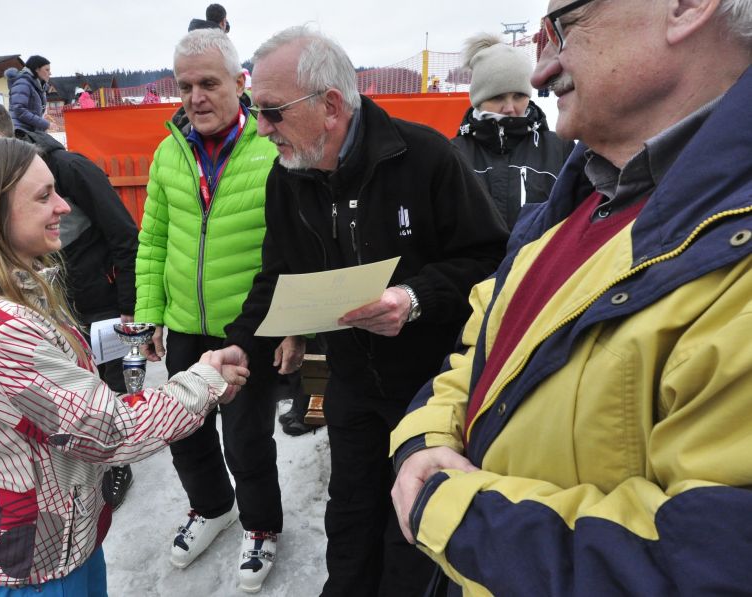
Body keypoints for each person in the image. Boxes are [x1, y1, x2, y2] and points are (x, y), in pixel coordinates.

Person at [391, 1, 752, 595]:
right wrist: (424, 442)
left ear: (687, 8)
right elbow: (478, 360)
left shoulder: (728, 252)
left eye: (563, 26)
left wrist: (447, 510)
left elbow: (707, 562)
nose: (537, 75)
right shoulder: (570, 205)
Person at [218, 26, 509, 597]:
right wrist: (242, 344)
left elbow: (490, 258)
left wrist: (415, 298)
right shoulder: (287, 177)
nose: (260, 127)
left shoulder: (424, 156)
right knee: (350, 513)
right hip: (353, 383)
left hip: (431, 388)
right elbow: (279, 276)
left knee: (413, 525)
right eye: (255, 109)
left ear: (329, 106)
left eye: (272, 112)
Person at [0, 135, 249, 594]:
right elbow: (110, 431)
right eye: (43, 196)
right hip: (31, 567)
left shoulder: (18, 298)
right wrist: (205, 379)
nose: (64, 207)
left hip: (61, 542)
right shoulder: (2, 329)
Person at [134, 28, 284, 593]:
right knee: (185, 431)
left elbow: (290, 248)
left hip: (247, 327)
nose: (195, 97)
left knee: (246, 439)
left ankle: (262, 526)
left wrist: (292, 331)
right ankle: (212, 508)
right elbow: (152, 239)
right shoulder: (169, 150)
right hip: (184, 326)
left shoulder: (270, 148)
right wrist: (151, 313)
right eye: (185, 85)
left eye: (208, 83)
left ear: (239, 84)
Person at [0, 97, 141, 510]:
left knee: (105, 385)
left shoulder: (67, 168)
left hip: (95, 303)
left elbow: (124, 234)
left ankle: (115, 464)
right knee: (61, 390)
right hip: (44, 304)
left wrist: (128, 305)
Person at [451, 33, 574, 228]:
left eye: (518, 96)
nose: (510, 108)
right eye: (498, 97)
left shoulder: (560, 148)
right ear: (478, 100)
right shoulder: (453, 154)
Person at [5, 55, 52, 132]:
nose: (50, 73)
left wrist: (42, 121)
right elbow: (19, 110)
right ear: (37, 69)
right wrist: (45, 124)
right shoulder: (23, 83)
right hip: (21, 132)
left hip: (30, 131)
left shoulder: (38, 86)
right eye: (47, 70)